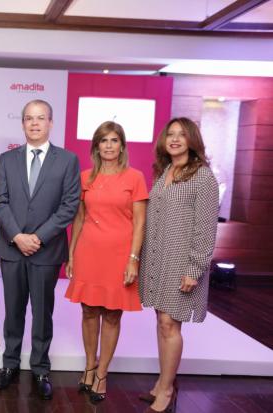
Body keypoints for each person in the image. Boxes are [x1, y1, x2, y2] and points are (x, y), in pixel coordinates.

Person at [0, 99, 81, 400]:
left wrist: (38, 238)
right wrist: (17, 235)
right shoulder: (7, 159)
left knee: (43, 313)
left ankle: (41, 368)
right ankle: (10, 364)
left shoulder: (67, 160)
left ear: (51, 123)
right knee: (13, 311)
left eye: (40, 118)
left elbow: (69, 206)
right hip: (12, 248)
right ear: (22, 123)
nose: (34, 123)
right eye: (29, 118)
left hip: (47, 250)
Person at [138, 117, 219, 413]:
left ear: (192, 140)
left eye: (181, 135)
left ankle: (168, 390)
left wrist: (195, 267)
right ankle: (162, 382)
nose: (174, 139)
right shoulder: (165, 173)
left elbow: (206, 227)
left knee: (170, 324)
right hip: (159, 259)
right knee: (162, 323)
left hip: (182, 262)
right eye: (170, 134)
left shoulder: (203, 177)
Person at [64, 121, 148, 403]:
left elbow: (139, 223)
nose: (109, 146)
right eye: (104, 141)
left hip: (120, 255)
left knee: (112, 314)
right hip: (89, 252)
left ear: (122, 146)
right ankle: (89, 366)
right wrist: (72, 253)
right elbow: (78, 218)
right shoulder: (85, 177)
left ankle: (102, 373)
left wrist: (133, 260)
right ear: (96, 146)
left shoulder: (134, 177)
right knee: (89, 312)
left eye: (114, 140)